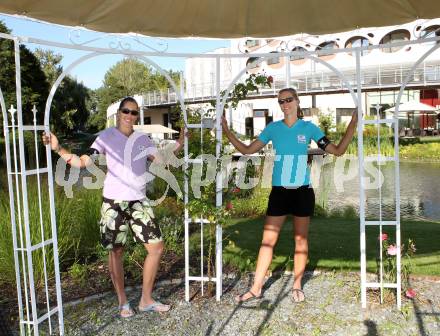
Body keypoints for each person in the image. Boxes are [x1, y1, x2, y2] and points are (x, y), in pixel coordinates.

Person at [42, 96, 184, 317]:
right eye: (126, 111)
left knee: (156, 247)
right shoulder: (106, 137)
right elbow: (82, 162)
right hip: (113, 203)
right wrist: (58, 148)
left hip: (139, 201)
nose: (129, 116)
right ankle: (122, 302)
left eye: (134, 112)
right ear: (119, 113)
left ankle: (146, 299)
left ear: (137, 116)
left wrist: (180, 144)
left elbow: (160, 160)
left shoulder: (142, 139)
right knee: (116, 251)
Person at [221, 88, 358, 303]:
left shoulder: (309, 128)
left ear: (297, 101)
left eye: (288, 100)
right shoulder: (273, 129)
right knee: (267, 241)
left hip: (302, 192)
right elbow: (247, 150)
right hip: (279, 193)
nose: (285, 104)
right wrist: (227, 131)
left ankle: (296, 286)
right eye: (281, 101)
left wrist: (353, 123)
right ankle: (256, 288)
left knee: (300, 241)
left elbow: (338, 150)